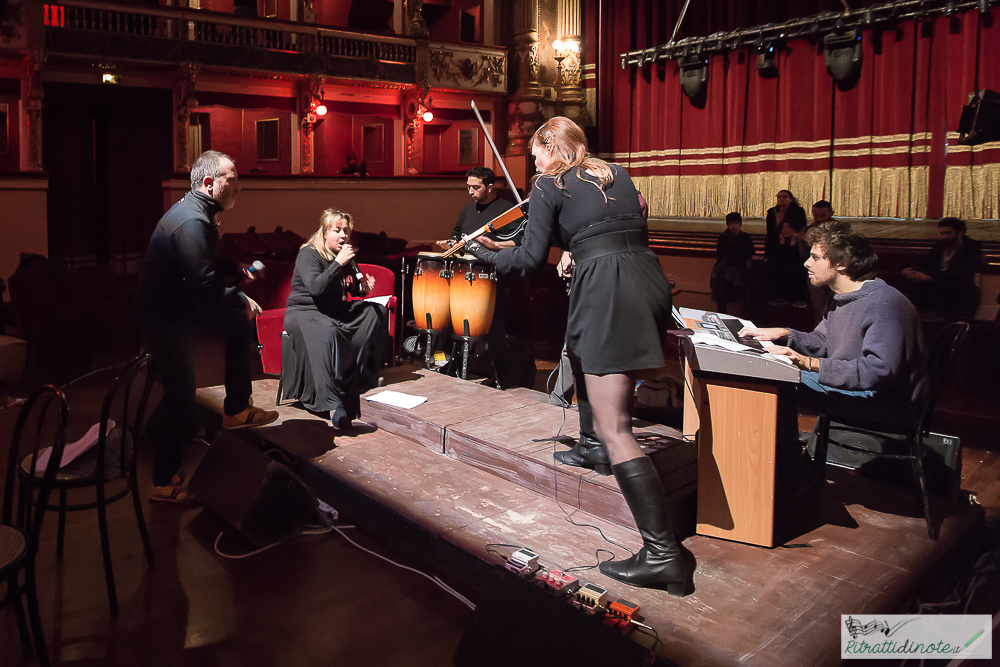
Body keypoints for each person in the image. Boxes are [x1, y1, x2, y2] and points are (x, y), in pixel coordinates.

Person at [466, 117, 687, 593]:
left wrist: (484, 252)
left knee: (617, 428)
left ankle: (663, 553)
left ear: (551, 148)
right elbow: (612, 227)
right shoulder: (616, 173)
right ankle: (591, 448)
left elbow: (525, 259)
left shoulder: (549, 183)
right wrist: (573, 248)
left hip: (607, 286)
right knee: (583, 355)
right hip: (644, 277)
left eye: (537, 153)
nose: (535, 164)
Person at [136, 150, 278, 503]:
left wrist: (234, 266)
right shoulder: (193, 220)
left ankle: (236, 409)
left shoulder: (198, 211)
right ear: (210, 182)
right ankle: (163, 482)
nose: (238, 186)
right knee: (181, 393)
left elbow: (206, 259)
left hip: (181, 307)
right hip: (166, 317)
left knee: (237, 321)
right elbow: (202, 284)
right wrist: (240, 296)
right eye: (233, 178)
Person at [741, 220, 927, 423]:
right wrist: (786, 334)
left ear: (842, 263)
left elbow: (876, 372)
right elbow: (822, 341)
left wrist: (807, 363)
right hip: (863, 391)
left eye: (815, 258)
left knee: (778, 382)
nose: (807, 263)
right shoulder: (840, 296)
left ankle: (784, 454)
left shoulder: (883, 305)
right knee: (776, 375)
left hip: (884, 402)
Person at [281, 209, 389, 429]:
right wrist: (338, 263)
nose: (343, 236)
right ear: (324, 232)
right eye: (337, 230)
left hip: (332, 311)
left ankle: (361, 373)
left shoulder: (342, 256)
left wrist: (362, 289)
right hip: (305, 312)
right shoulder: (309, 253)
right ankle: (333, 404)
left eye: (346, 231)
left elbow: (343, 289)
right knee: (328, 330)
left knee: (376, 312)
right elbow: (316, 287)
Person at [437, 167, 532, 389]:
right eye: (468, 186)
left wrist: (494, 244)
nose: (470, 191)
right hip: (465, 276)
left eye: (476, 187)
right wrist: (450, 243)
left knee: (494, 327)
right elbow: (456, 232)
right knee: (456, 322)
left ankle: (503, 378)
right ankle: (454, 367)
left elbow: (520, 240)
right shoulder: (468, 209)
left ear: (490, 187)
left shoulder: (505, 211)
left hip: (493, 276)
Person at [902, 217, 983, 321]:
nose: (945, 236)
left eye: (948, 233)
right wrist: (910, 270)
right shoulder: (940, 245)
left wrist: (929, 278)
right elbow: (927, 263)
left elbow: (959, 274)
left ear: (960, 233)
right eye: (942, 233)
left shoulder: (971, 248)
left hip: (960, 293)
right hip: (939, 289)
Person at [765, 189, 809, 307]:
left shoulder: (798, 211)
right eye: (779, 197)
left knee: (795, 271)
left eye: (784, 197)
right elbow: (769, 232)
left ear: (791, 199)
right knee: (776, 270)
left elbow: (801, 226)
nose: (781, 199)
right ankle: (780, 297)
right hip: (778, 246)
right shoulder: (772, 212)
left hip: (793, 246)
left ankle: (798, 298)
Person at [710, 212, 755, 315]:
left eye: (736, 223)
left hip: (741, 269)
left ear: (740, 224)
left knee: (740, 296)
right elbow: (722, 254)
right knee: (723, 296)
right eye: (731, 223)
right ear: (727, 225)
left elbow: (751, 251)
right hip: (726, 270)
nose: (734, 226)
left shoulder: (745, 236)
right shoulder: (724, 237)